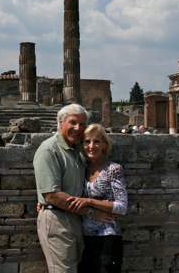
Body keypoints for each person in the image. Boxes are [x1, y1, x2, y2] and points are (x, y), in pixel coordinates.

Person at [34, 104, 116, 273]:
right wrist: (92, 213)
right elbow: (52, 195)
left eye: (82, 124)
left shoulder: (77, 150)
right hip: (57, 219)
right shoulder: (49, 150)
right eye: (72, 122)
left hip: (73, 218)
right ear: (60, 122)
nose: (77, 128)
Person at [67, 123, 128, 273]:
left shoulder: (113, 169)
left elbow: (121, 206)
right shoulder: (83, 168)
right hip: (84, 238)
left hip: (107, 238)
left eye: (96, 141)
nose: (91, 146)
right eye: (87, 141)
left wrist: (89, 201)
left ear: (104, 145)